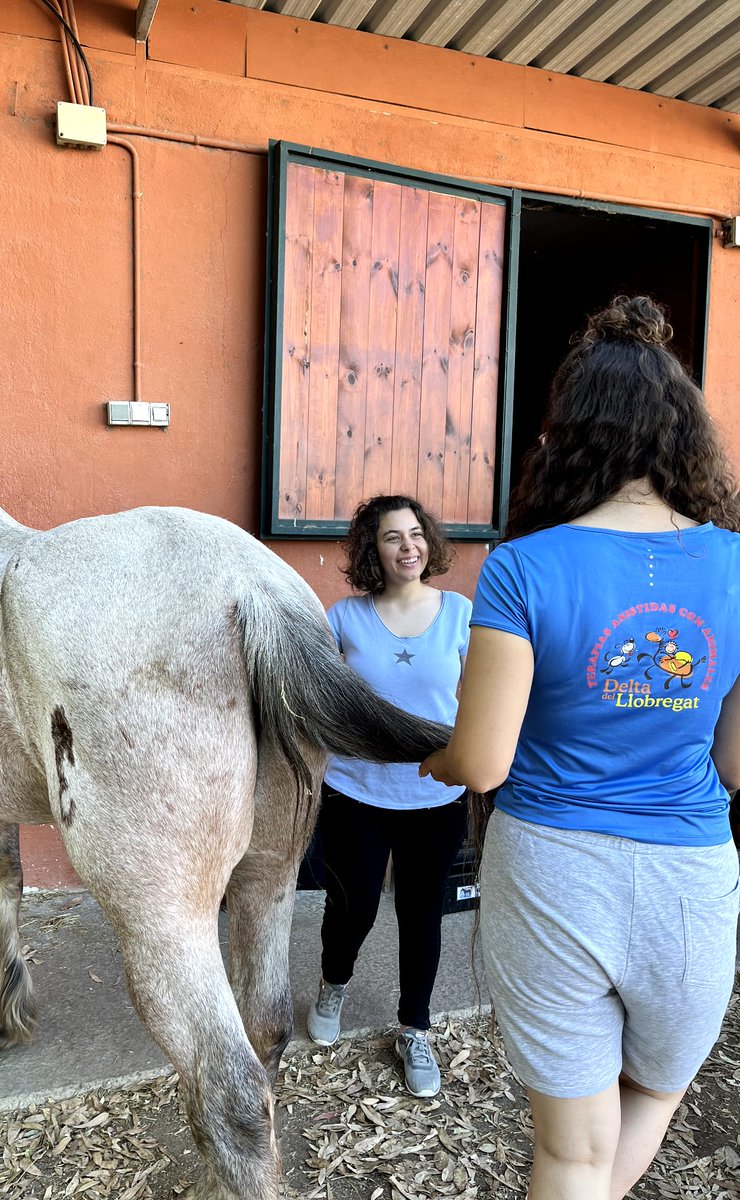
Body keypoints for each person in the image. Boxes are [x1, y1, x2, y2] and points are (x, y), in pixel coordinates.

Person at [420, 295, 740, 1198]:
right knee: (655, 1093)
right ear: (684, 436)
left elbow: (482, 762)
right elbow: (736, 766)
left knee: (569, 1153)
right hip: (689, 874)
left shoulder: (524, 566)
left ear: (572, 433)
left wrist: (439, 759)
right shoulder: (738, 564)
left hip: (551, 868)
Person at [306, 494, 471, 1097]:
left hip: (437, 794)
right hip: (358, 791)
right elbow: (321, 703)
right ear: (371, 551)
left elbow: (478, 704)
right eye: (392, 538)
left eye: (416, 534)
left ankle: (415, 1027)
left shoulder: (460, 614)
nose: (408, 547)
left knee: (423, 914)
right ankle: (334, 981)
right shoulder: (344, 618)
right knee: (353, 907)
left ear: (430, 541)